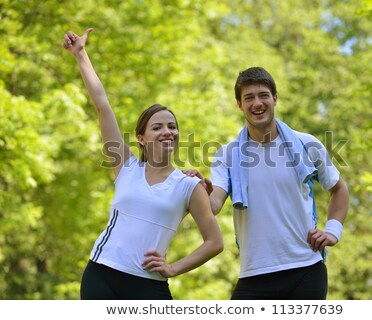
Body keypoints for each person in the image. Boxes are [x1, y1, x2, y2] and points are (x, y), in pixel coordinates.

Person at [62, 28, 223, 300]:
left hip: (149, 286)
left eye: (172, 126)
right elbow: (103, 105)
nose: (167, 131)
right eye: (158, 127)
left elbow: (215, 243)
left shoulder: (189, 185)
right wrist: (80, 55)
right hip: (102, 274)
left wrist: (173, 268)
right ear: (142, 138)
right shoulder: (125, 167)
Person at [185, 66, 349, 300]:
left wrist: (333, 231)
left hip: (306, 269)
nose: (257, 103)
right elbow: (213, 205)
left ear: (275, 98)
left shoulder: (307, 144)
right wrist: (199, 190)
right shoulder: (227, 155)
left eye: (263, 95)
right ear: (239, 105)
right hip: (254, 274)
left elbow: (339, 188)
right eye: (248, 97)